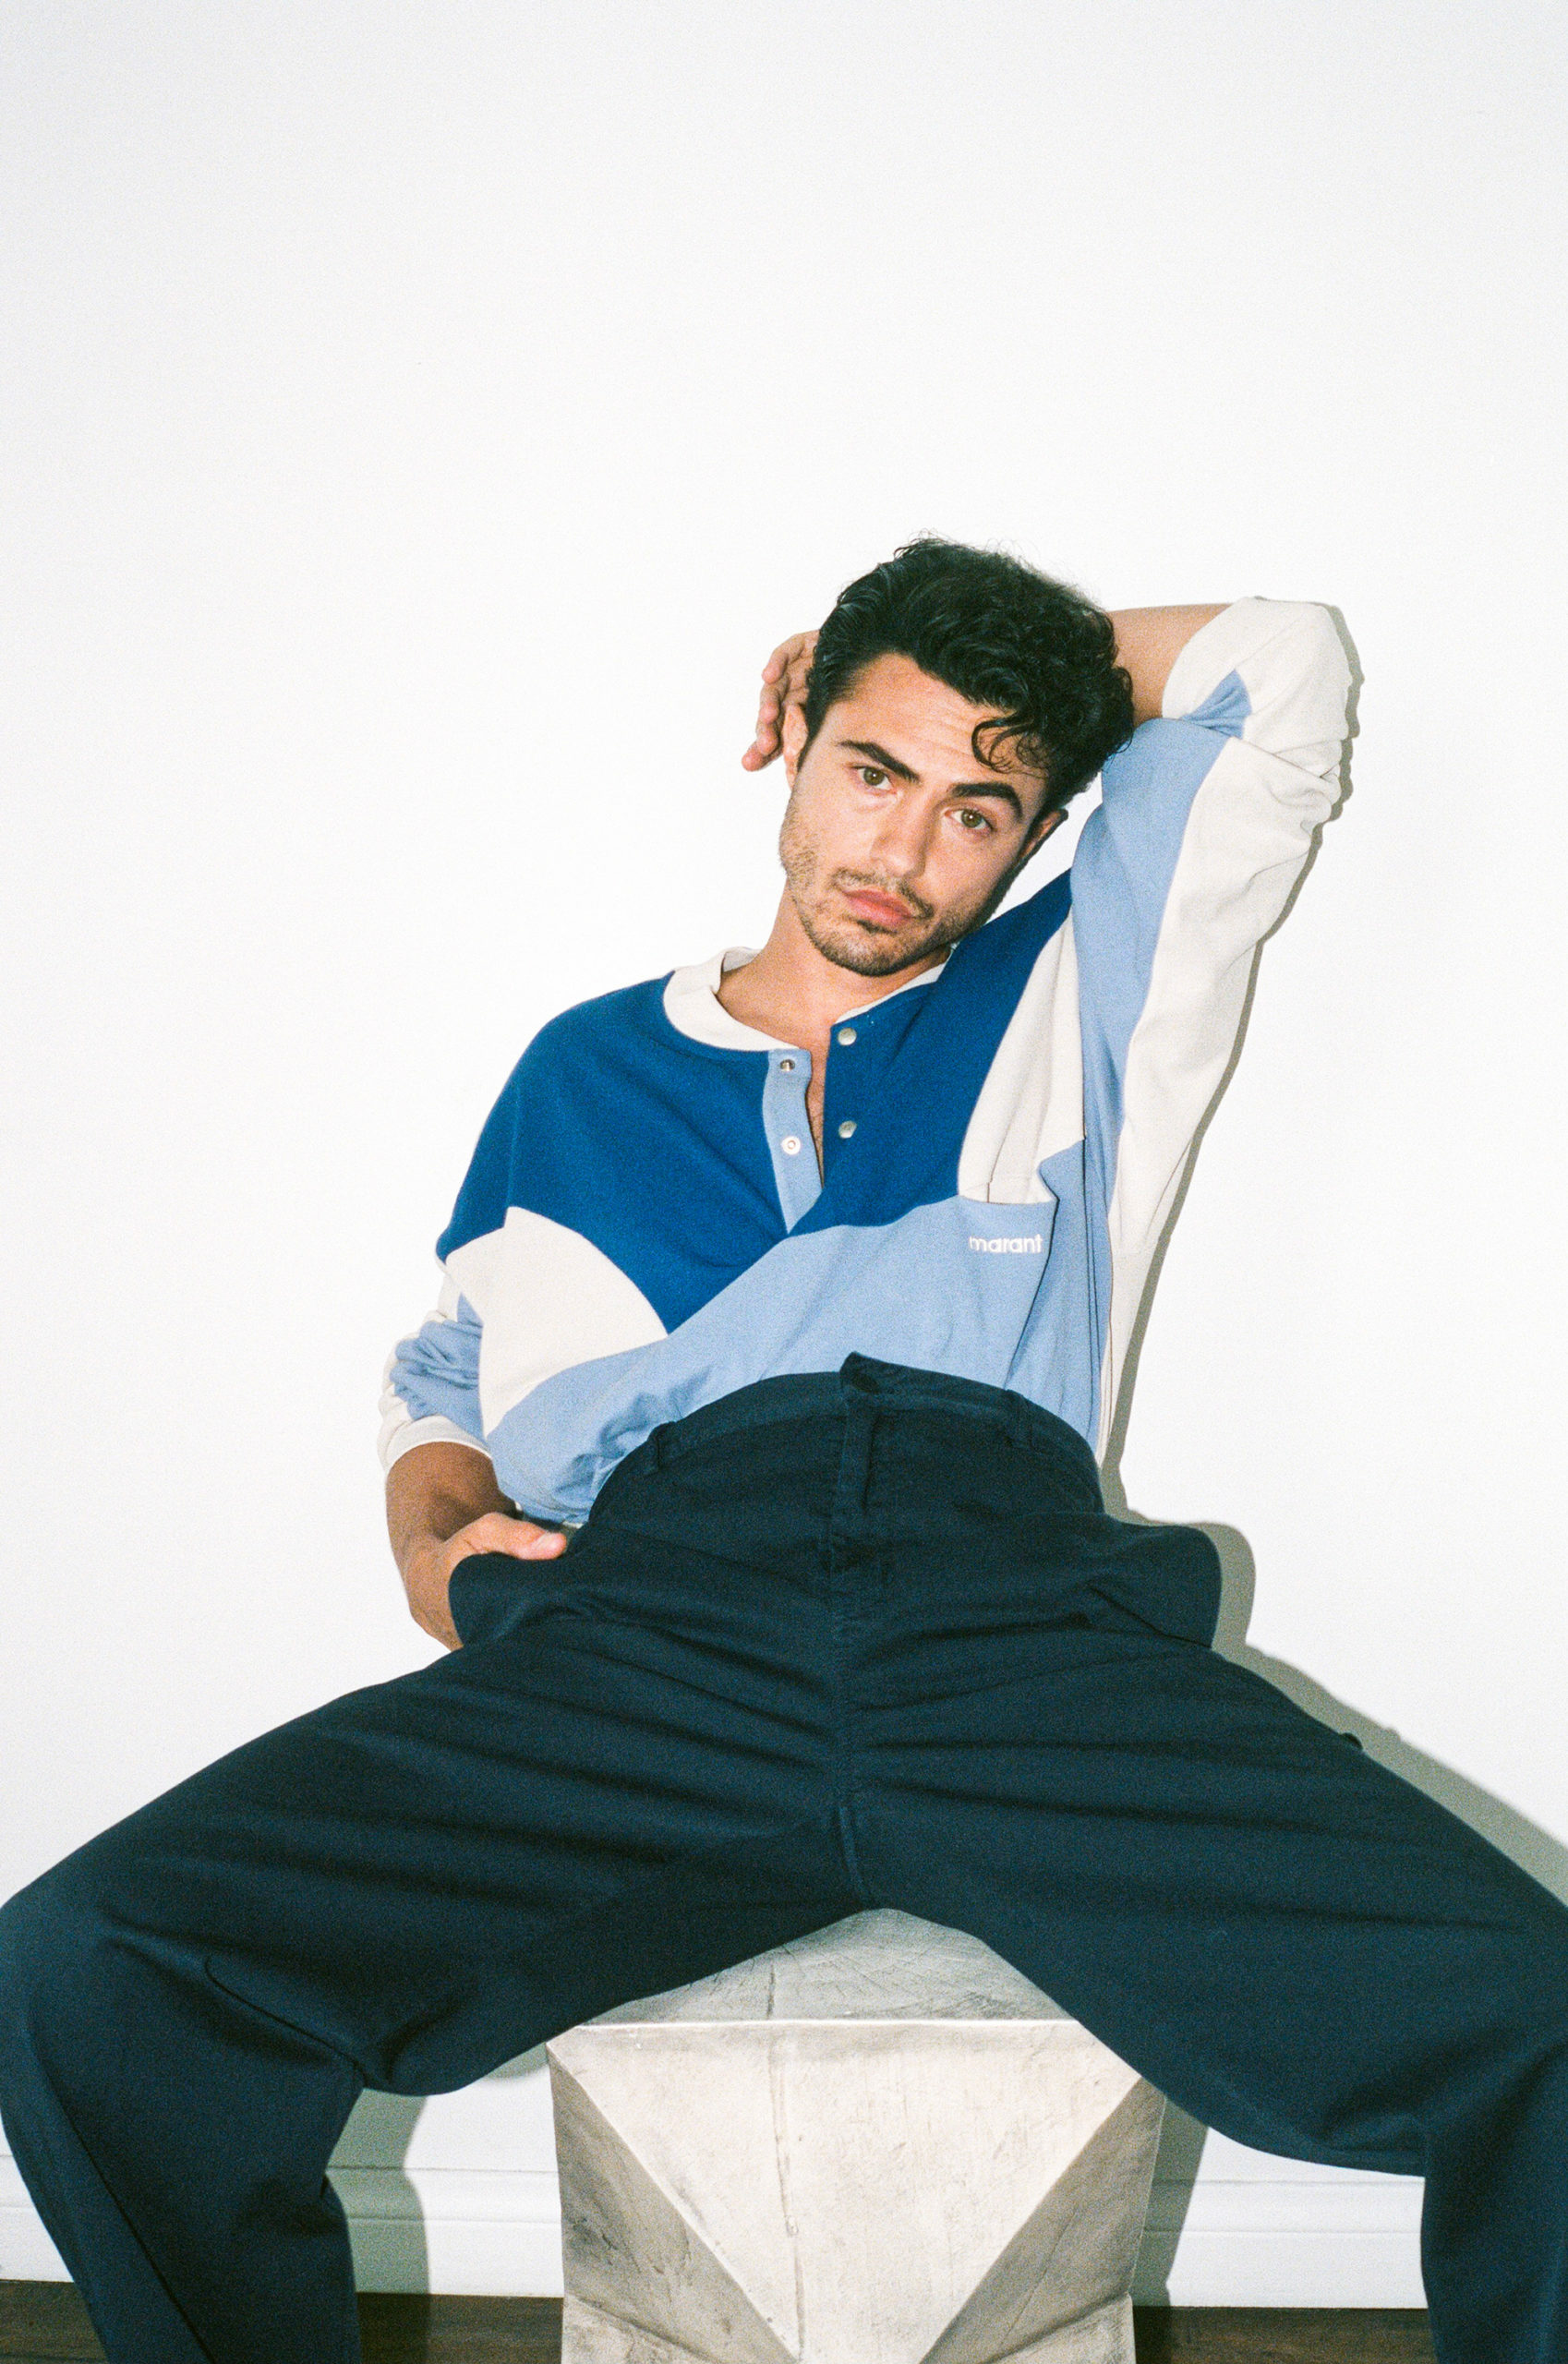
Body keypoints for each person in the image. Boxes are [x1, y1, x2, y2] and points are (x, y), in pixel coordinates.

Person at [1, 540, 1564, 2364]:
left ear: (1033, 833)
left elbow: (1275, 665)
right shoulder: (587, 1069)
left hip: (1018, 1629)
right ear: (796, 747)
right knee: (95, 1967)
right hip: (653, 1638)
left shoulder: (1082, 996)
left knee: (1538, 2018)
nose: (906, 848)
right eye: (873, 769)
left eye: (980, 809)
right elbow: (444, 1365)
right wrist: (437, 1533)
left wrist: (965, 656)